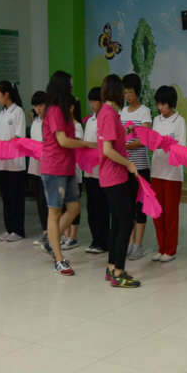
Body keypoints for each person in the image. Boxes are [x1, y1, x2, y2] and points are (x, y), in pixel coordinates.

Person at [39, 70, 96, 276]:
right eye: (69, 86)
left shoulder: (64, 111)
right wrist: (86, 144)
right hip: (54, 168)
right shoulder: (54, 110)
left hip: (68, 167)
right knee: (54, 212)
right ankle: (59, 258)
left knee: (74, 208)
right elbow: (62, 141)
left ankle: (50, 241)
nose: (72, 89)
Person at [98, 74, 141, 287]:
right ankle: (119, 272)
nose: (125, 96)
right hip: (115, 177)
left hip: (109, 177)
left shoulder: (105, 113)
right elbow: (108, 149)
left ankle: (111, 267)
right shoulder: (110, 114)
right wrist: (128, 164)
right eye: (123, 92)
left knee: (116, 224)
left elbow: (111, 139)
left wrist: (125, 131)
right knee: (126, 223)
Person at [150, 85, 187, 262]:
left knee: (171, 213)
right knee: (158, 213)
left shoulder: (180, 121)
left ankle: (170, 250)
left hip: (172, 173)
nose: (161, 107)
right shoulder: (156, 120)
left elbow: (182, 147)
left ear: (171, 103)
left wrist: (167, 144)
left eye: (164, 104)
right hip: (157, 171)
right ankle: (161, 247)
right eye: (158, 104)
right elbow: (151, 142)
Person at [120, 73, 152, 260]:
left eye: (130, 92)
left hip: (140, 167)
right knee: (128, 207)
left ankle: (138, 245)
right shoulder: (122, 112)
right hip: (124, 167)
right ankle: (130, 243)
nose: (128, 96)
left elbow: (144, 139)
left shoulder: (144, 111)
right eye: (125, 93)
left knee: (140, 207)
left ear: (137, 92)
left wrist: (124, 146)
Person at [0, 80, 27, 242]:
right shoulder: (2, 113)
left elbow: (19, 137)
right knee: (6, 197)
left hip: (16, 163)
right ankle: (9, 228)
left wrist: (5, 143)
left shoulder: (18, 112)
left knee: (16, 198)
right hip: (3, 163)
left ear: (6, 94)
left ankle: (18, 230)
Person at [83, 87, 110, 255]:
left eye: (95, 101)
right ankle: (95, 240)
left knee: (102, 208)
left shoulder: (106, 119)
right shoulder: (90, 121)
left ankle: (104, 241)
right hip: (89, 171)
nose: (92, 105)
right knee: (91, 208)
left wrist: (91, 147)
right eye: (90, 102)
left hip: (102, 171)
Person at [60, 98, 83, 251]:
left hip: (74, 171)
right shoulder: (63, 126)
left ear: (72, 108)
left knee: (73, 204)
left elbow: (77, 146)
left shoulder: (77, 126)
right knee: (63, 204)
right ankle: (66, 235)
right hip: (63, 170)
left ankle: (73, 237)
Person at [28, 91, 49, 247]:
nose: (38, 109)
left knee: (47, 200)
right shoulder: (35, 123)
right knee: (40, 201)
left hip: (47, 166)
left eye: (41, 105)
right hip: (35, 166)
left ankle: (52, 232)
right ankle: (45, 231)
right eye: (36, 106)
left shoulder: (50, 122)